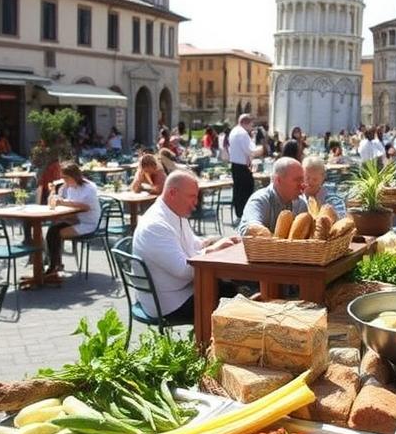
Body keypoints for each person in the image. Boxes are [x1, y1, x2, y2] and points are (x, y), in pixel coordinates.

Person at [132, 171, 239, 320]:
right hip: (166, 303)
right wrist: (214, 249)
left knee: (230, 288)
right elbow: (184, 270)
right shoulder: (156, 225)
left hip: (180, 290)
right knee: (232, 297)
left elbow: (194, 245)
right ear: (172, 193)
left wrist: (215, 241)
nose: (196, 202)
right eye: (192, 197)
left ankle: (223, 340)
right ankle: (211, 341)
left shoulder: (174, 213)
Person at [44, 162, 101, 275]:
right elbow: (69, 205)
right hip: (76, 219)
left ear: (73, 176)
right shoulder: (70, 188)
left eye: (66, 178)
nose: (64, 180)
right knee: (52, 230)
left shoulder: (89, 188)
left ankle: (54, 266)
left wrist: (64, 203)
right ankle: (54, 264)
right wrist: (54, 194)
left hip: (88, 223)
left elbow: (85, 207)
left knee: (57, 233)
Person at [238, 157, 308, 234]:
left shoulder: (301, 204)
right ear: (278, 180)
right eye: (297, 180)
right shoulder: (260, 199)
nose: (302, 185)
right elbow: (252, 229)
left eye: (302, 179)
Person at [228, 114, 264, 220]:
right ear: (246, 123)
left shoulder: (234, 131)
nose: (251, 127)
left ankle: (239, 213)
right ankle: (244, 214)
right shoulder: (242, 133)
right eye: (251, 125)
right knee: (246, 190)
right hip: (242, 166)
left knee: (238, 190)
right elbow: (251, 151)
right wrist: (261, 148)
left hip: (236, 165)